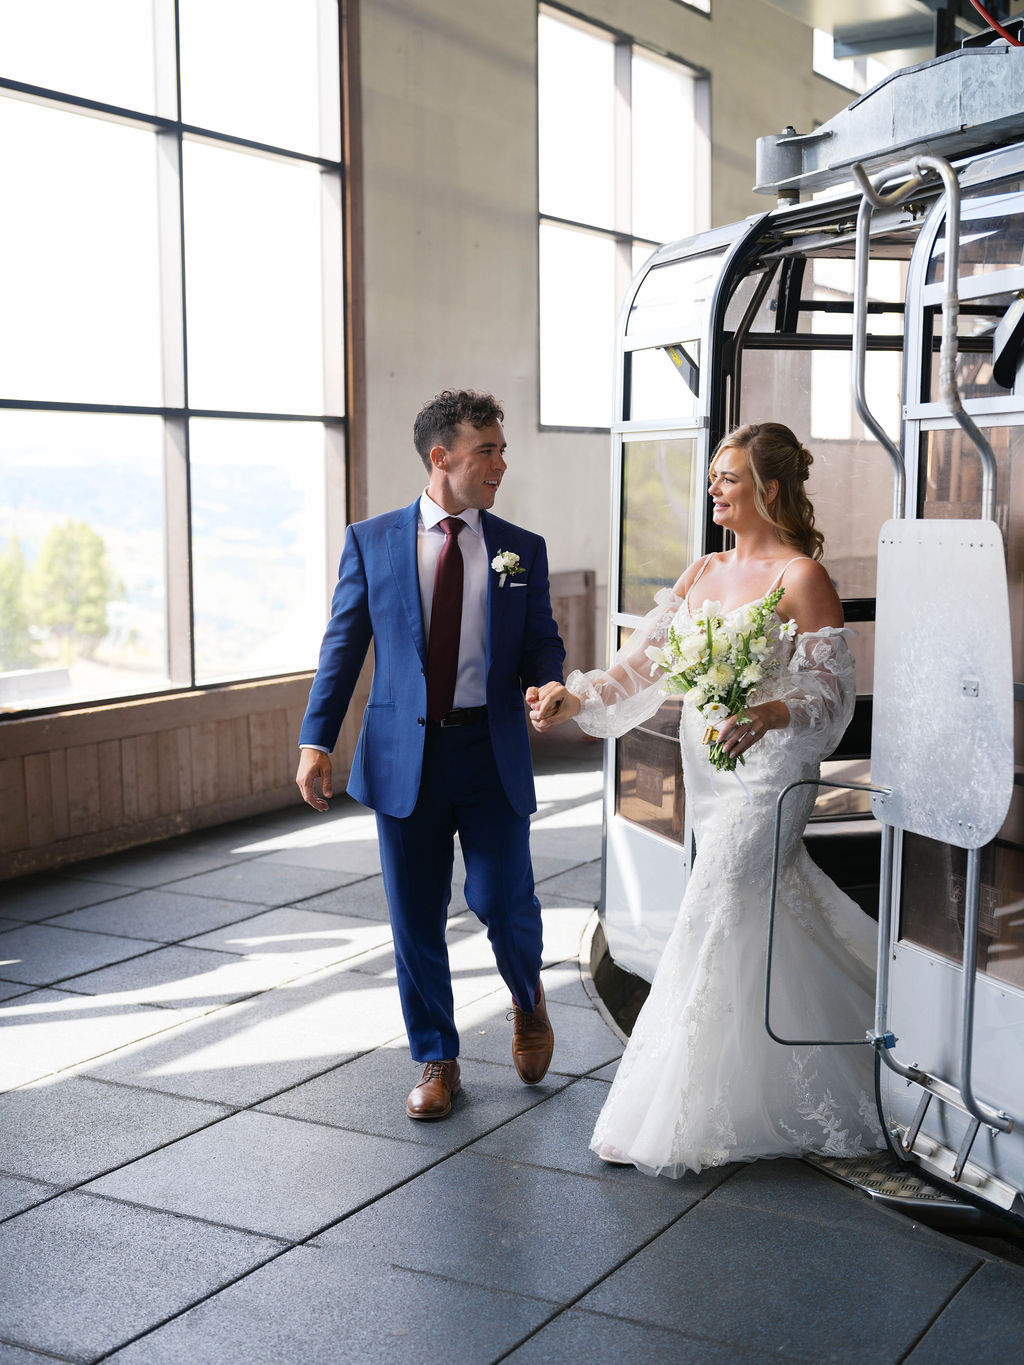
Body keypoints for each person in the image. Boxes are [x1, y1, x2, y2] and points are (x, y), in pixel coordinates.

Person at [530, 422, 884, 1176]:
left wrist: (768, 711)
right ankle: (807, 1050)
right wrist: (575, 697)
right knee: (753, 909)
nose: (715, 487)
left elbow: (833, 693)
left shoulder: (801, 577)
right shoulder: (702, 571)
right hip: (712, 769)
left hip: (770, 768)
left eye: (729, 476)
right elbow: (638, 668)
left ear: (771, 488)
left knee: (718, 901)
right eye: (716, 476)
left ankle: (672, 1109)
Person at [297, 389, 565, 1121]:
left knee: (500, 899)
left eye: (502, 450)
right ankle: (436, 1057)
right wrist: (316, 738)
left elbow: (542, 639)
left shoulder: (520, 548)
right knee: (415, 917)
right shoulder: (372, 540)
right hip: (402, 754)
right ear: (441, 456)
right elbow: (343, 645)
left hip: (490, 746)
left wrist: (547, 682)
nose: (500, 464)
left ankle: (527, 990)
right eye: (488, 450)